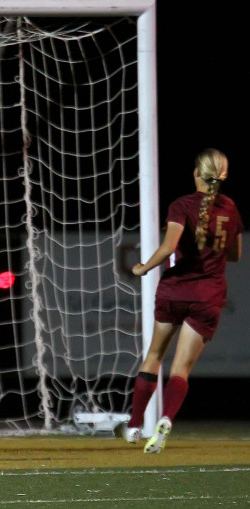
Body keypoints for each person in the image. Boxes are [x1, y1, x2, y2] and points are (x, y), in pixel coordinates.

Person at [123, 148, 242, 453]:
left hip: (175, 292)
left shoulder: (182, 205)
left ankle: (135, 426)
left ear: (196, 173)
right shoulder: (230, 207)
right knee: (181, 370)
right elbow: (236, 255)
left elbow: (168, 247)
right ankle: (165, 420)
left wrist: (142, 267)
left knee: (154, 356)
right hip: (208, 296)